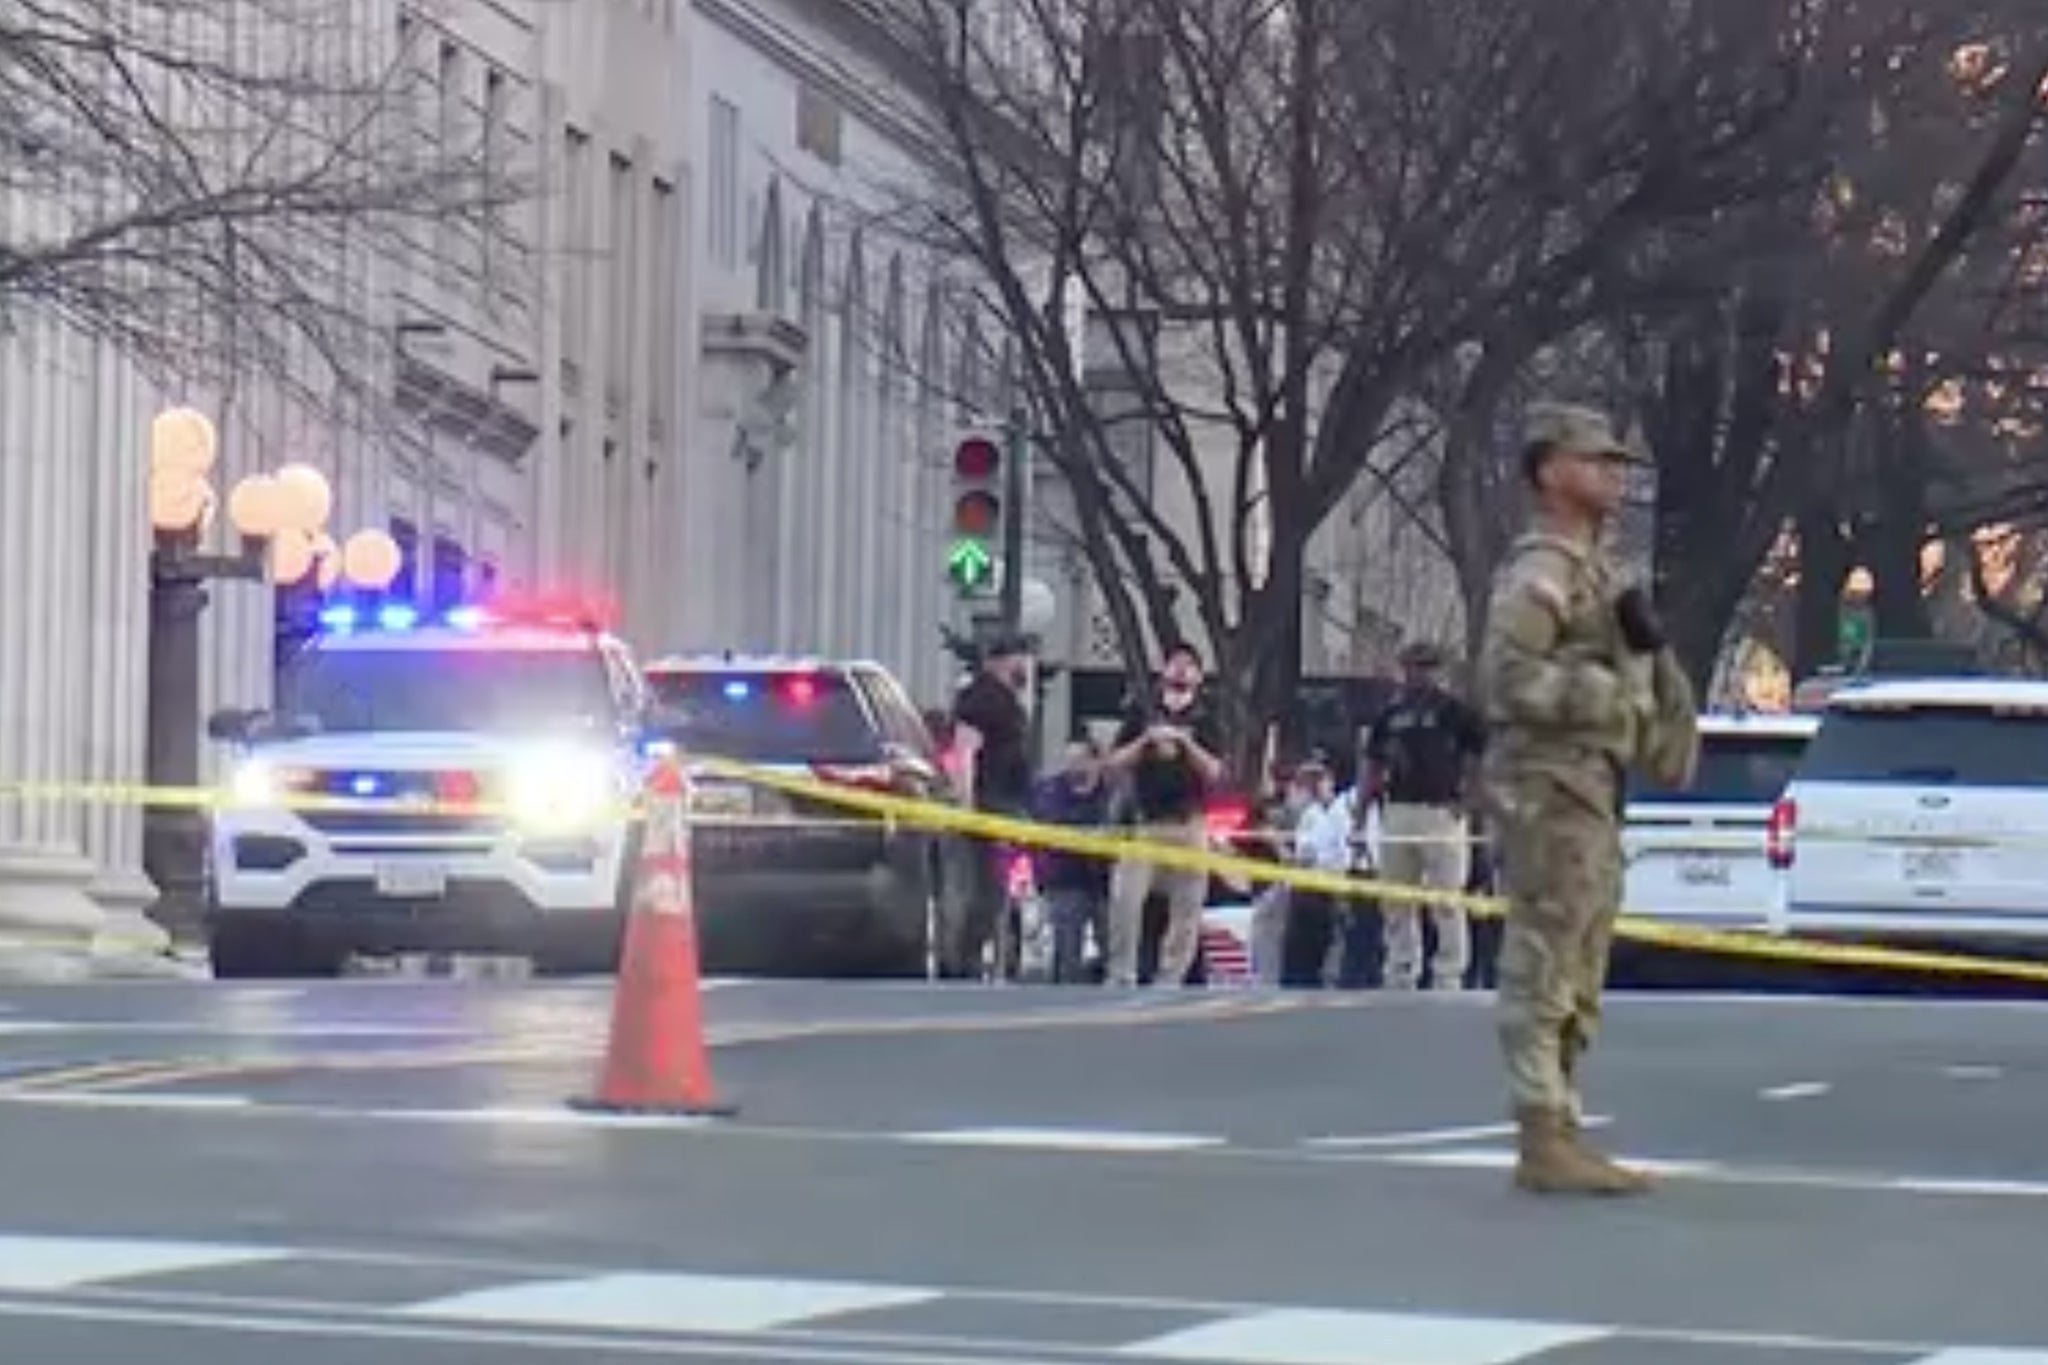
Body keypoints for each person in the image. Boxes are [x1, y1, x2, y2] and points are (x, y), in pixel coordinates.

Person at [1477, 401, 1700, 1197]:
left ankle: (1563, 1121)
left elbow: (1650, 670)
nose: (1611, 473)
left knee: (1582, 949)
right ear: (1551, 471)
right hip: (1549, 783)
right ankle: (1542, 1130)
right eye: (1594, 459)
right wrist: (1606, 700)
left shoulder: (1602, 574)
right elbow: (1504, 680)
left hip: (1593, 784)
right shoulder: (1542, 572)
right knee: (1545, 949)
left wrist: (1665, 725)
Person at [1363, 641, 1488, 992]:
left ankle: (1449, 972)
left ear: (1440, 671)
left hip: (1441, 811)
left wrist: (1470, 801)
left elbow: (1483, 756)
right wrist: (1361, 811)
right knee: (1396, 898)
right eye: (1414, 666)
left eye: (1428, 666)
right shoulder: (1390, 716)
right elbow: (1373, 763)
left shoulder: (1455, 712)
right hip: (1399, 808)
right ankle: (1401, 968)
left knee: (1446, 898)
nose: (1420, 674)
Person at [1104, 643, 1226, 988]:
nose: (1181, 671)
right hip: (1147, 823)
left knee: (1187, 907)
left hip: (1189, 823)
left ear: (1199, 677)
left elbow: (1216, 772)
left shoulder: (1208, 717)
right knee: (1125, 898)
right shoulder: (1142, 712)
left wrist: (1186, 745)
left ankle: (1171, 977)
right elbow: (1113, 764)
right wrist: (1145, 741)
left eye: (1189, 666)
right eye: (1175, 664)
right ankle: (1121, 972)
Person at [950, 635, 1037, 977]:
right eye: (1020, 660)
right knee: (986, 890)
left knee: (1001, 890)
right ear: (1000, 661)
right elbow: (965, 751)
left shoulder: (1008, 700)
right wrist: (966, 805)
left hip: (1006, 804)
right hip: (989, 806)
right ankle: (967, 962)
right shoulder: (981, 698)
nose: (1025, 668)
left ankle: (992, 960)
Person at [1030, 739, 1113, 983]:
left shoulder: (1112, 794)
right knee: (1067, 949)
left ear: (1096, 762)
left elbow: (1125, 826)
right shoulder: (1050, 791)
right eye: (1069, 760)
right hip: (1064, 878)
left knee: (1113, 946)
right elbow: (1048, 824)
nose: (1073, 767)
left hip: (1105, 879)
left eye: (1080, 760)